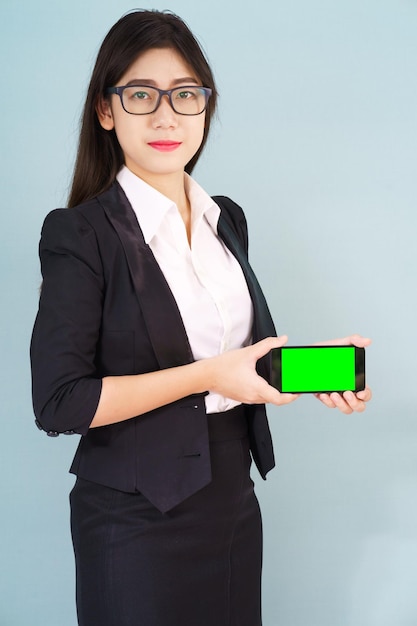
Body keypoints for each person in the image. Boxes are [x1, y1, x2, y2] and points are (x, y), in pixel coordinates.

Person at [30, 9, 371, 626]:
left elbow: (232, 356)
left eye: (185, 95)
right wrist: (210, 375)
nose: (167, 116)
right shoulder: (80, 234)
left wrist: (306, 371)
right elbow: (59, 402)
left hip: (231, 502)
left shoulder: (227, 220)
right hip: (133, 516)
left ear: (206, 107)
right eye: (142, 94)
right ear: (106, 111)